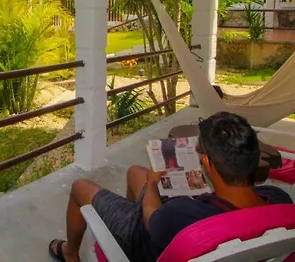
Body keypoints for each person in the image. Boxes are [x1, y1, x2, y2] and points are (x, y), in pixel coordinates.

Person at [48, 112, 293, 262]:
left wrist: (153, 184)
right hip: (212, 228)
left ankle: (70, 253)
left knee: (80, 187)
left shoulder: (181, 214)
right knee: (135, 172)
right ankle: (126, 215)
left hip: (147, 241)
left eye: (199, 152)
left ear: (207, 162)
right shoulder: (279, 199)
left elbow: (151, 217)